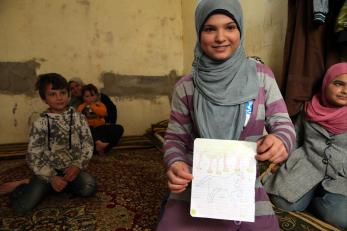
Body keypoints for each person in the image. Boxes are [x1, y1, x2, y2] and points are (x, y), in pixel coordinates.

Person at [157, 1, 296, 230]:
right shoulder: (186, 86)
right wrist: (176, 162)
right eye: (210, 29)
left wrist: (281, 141)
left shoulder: (261, 76)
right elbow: (174, 138)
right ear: (198, 33)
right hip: (197, 184)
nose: (221, 37)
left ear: (240, 29)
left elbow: (284, 125)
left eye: (230, 27)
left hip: (245, 185)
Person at [263, 63, 347, 229]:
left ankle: (317, 202)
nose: (345, 91)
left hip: (341, 176)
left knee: (340, 217)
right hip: (306, 166)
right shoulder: (309, 109)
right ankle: (306, 195)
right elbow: (296, 137)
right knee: (283, 201)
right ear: (326, 83)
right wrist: (281, 161)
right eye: (338, 84)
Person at [6, 73, 96, 214]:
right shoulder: (40, 123)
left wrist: (77, 165)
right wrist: (51, 177)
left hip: (70, 169)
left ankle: (55, 186)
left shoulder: (79, 118)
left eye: (62, 93)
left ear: (69, 95)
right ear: (44, 99)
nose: (59, 97)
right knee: (22, 207)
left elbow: (88, 144)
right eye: (52, 94)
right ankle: (24, 185)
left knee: (89, 188)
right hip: (47, 171)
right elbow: (33, 156)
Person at [68, 78, 124, 154]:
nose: (75, 89)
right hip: (87, 131)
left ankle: (101, 146)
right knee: (87, 130)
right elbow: (75, 117)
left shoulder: (100, 99)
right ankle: (99, 147)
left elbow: (110, 110)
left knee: (119, 128)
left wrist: (109, 123)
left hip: (101, 127)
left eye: (77, 86)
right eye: (72, 88)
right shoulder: (73, 103)